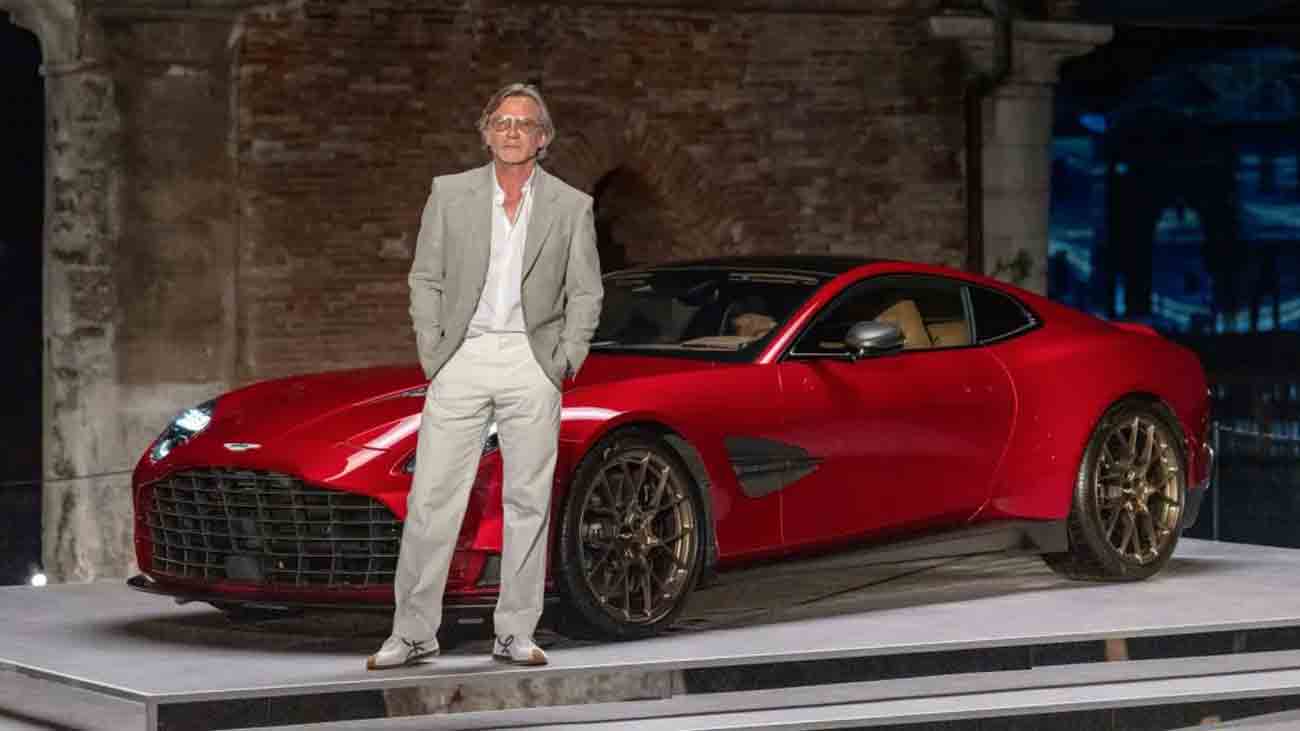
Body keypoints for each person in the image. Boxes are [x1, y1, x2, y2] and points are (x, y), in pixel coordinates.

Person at [367, 82, 603, 670]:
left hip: (533, 361)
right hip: (462, 358)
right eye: (501, 121)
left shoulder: (572, 206)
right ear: (486, 131)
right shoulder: (449, 194)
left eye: (524, 123)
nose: (512, 131)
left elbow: (586, 291)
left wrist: (563, 360)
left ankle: (514, 631)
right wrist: (433, 352)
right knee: (432, 498)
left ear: (542, 138)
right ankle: (413, 632)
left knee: (528, 501)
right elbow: (426, 278)